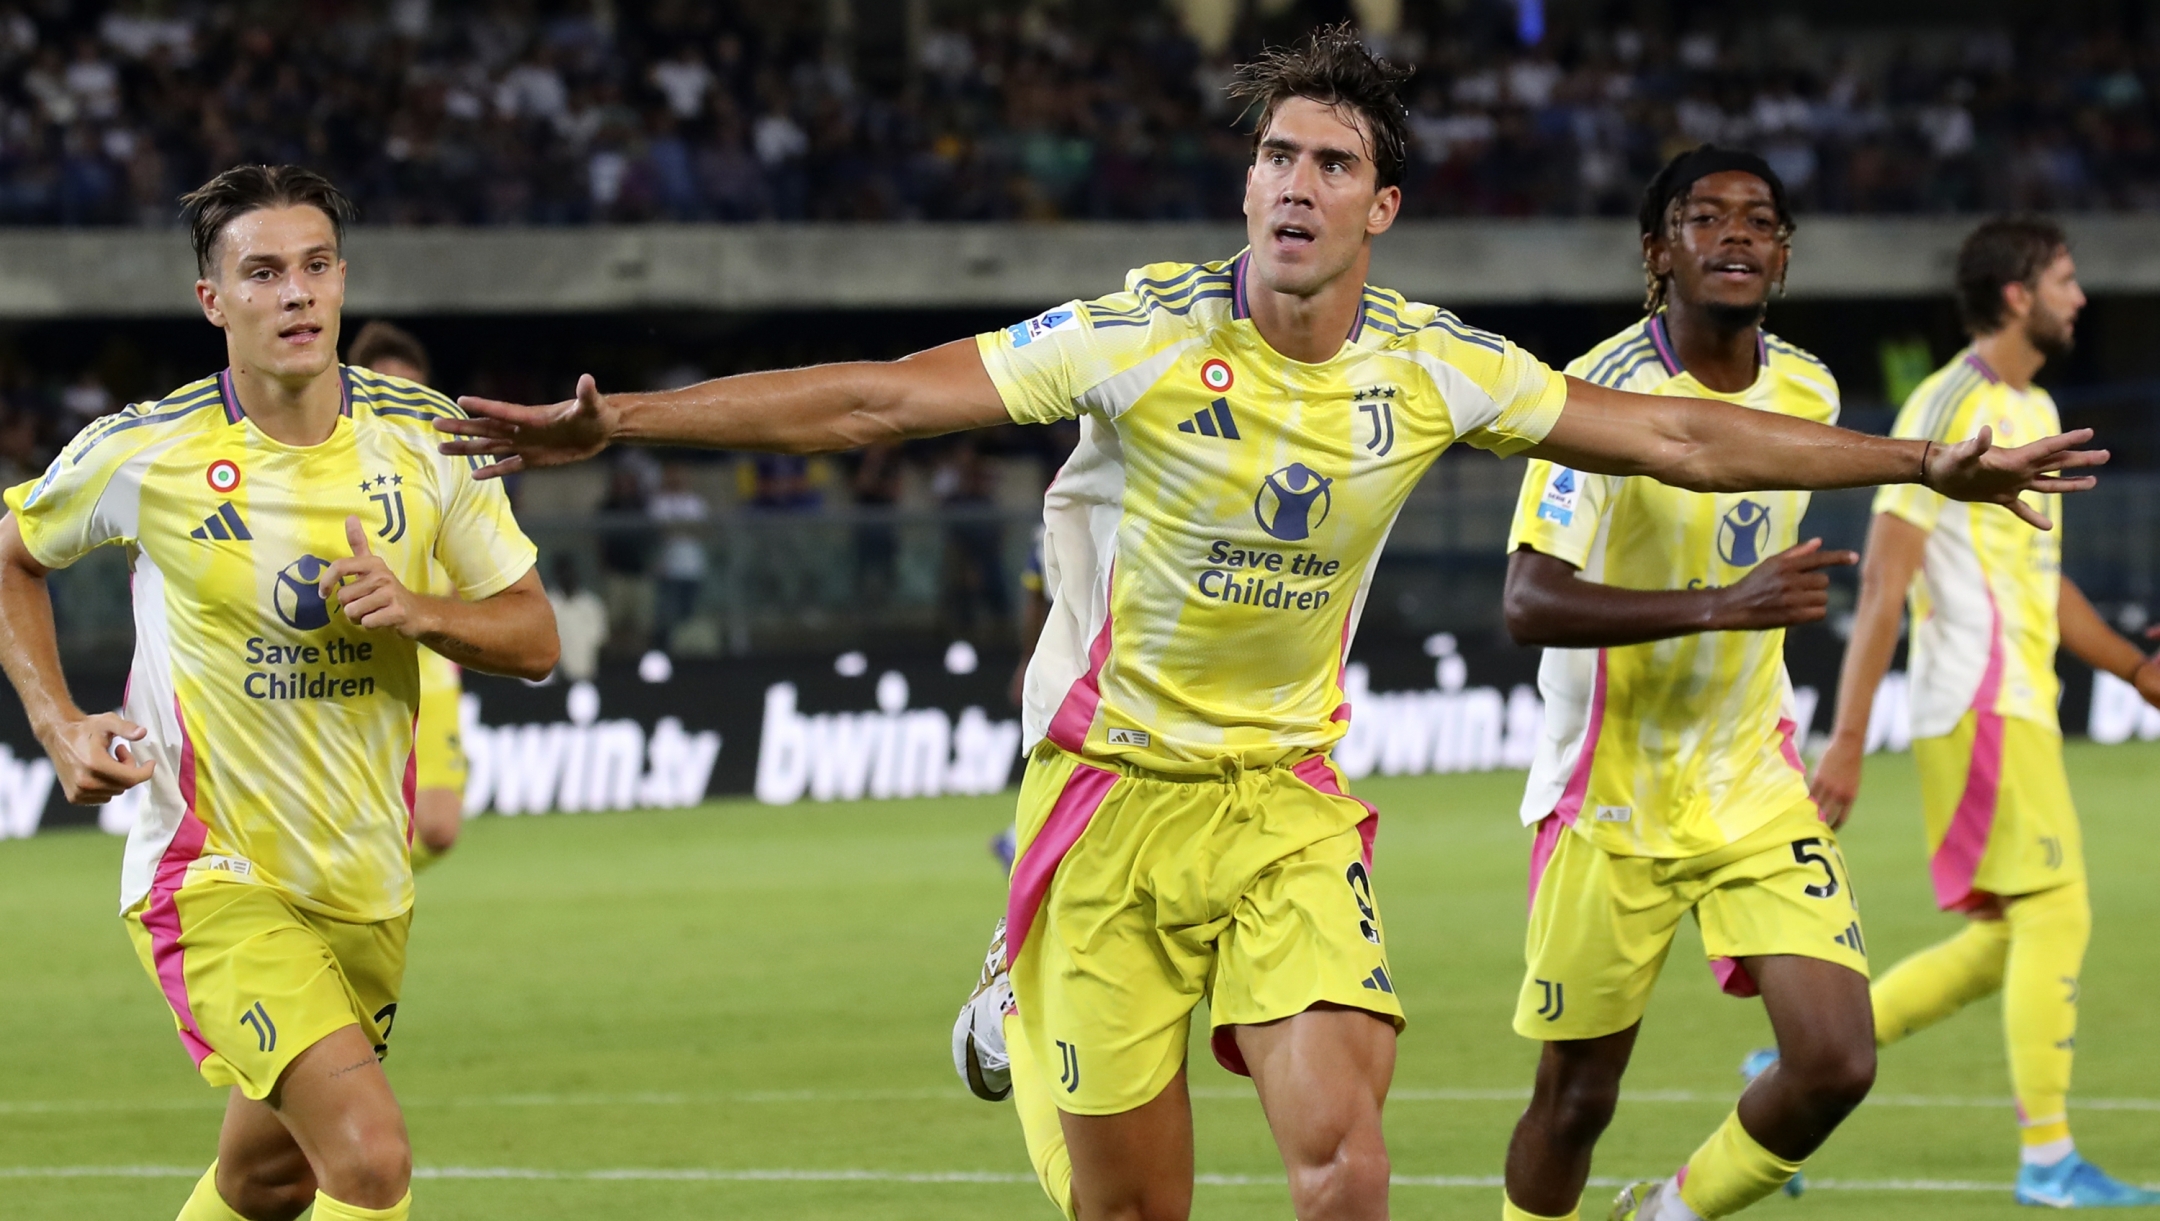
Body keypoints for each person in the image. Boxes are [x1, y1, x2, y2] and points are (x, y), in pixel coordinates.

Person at [437, 29, 2100, 1221]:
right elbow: (877, 398)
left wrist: (1924, 461)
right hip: (1106, 796)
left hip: (1289, 806)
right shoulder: (1137, 336)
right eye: (1277, 157)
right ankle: (1019, 981)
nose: (1295, 186)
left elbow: (1673, 430)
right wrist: (625, 422)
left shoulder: (1436, 364)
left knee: (1344, 1164)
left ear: (1382, 209)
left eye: (1333, 164)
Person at [0, 165, 556, 1221]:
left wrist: (420, 611)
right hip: (210, 872)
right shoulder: (147, 449)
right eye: (262, 273)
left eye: (313, 267)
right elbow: (11, 555)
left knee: (267, 1177)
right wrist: (56, 721)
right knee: (370, 1160)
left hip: (364, 880)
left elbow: (533, 636)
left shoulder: (426, 438)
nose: (294, 294)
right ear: (214, 300)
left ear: (342, 280)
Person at [1498, 147, 1872, 1221]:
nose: (1737, 234)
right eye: (1705, 217)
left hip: (1752, 780)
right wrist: (1724, 603)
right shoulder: (1594, 399)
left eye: (1760, 219)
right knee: (1576, 1102)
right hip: (1606, 800)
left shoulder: (1810, 388)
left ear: (1786, 255)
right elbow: (1528, 603)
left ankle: (1667, 1214)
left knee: (1837, 1060)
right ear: (1659, 251)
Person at [1810, 215, 2160, 1209]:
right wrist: (1845, 740)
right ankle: (2047, 1159)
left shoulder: (2036, 404)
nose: (2080, 296)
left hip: (2018, 706)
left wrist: (2135, 669)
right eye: (2065, 278)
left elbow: (2042, 585)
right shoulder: (1949, 402)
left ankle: (1802, 1063)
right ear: (2017, 295)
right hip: (1977, 703)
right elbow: (1884, 579)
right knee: (2060, 909)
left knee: (2012, 935)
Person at [346, 319, 466, 870]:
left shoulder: (447, 474)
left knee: (438, 829)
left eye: (414, 394)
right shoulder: (329, 469)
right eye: (387, 389)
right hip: (347, 677)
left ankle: (368, 879)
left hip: (432, 677)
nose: (403, 406)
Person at [548, 554, 611, 683]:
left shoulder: (591, 605)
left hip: (590, 678)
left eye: (569, 572)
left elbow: (602, 643)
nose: (566, 576)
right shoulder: (547, 605)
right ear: (556, 575)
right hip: (557, 682)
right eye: (562, 572)